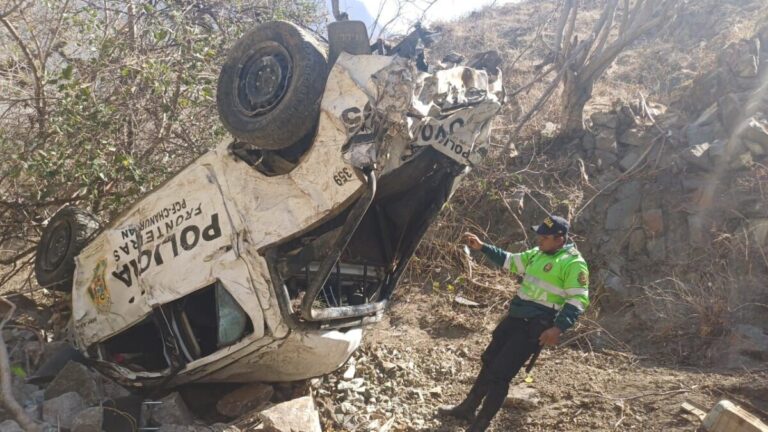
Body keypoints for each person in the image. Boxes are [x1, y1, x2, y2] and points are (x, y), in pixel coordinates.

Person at [438, 215, 590, 432]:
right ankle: (467, 408)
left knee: (501, 374)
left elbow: (578, 300)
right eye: (539, 236)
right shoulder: (537, 253)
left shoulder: (573, 264)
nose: (539, 240)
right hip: (515, 318)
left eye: (544, 238)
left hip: (535, 325)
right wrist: (483, 247)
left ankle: (480, 425)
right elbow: (510, 261)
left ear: (560, 239)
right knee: (489, 361)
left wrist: (558, 328)